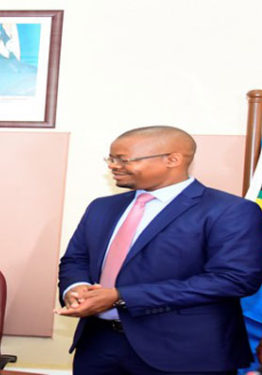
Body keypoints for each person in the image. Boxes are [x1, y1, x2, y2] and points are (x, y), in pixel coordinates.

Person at [57, 126, 262, 375]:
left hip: (185, 353)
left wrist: (121, 296)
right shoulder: (102, 207)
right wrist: (75, 288)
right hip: (99, 346)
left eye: (123, 159)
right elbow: (76, 259)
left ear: (172, 160)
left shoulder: (229, 210)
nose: (113, 166)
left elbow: (234, 279)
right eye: (111, 158)